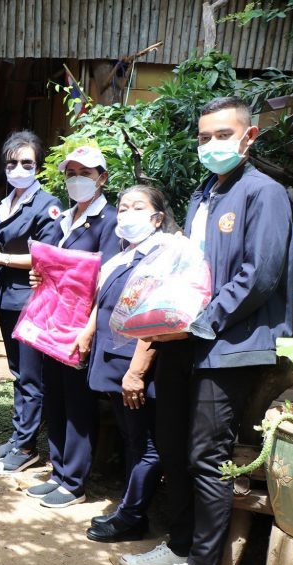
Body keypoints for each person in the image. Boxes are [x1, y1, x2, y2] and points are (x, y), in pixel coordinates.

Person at [121, 97, 293, 565]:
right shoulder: (205, 193)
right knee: (173, 444)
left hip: (229, 344)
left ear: (249, 136)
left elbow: (260, 274)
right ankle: (181, 545)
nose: (212, 144)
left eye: (223, 135)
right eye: (204, 137)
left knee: (206, 454)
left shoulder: (266, 193)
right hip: (185, 340)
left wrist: (202, 323)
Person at [18, 144, 120, 508]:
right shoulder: (63, 218)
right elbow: (50, 266)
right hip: (51, 325)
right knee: (56, 398)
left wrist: (90, 329)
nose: (77, 180)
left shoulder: (109, 221)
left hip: (79, 326)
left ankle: (74, 482)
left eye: (85, 173)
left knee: (77, 402)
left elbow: (107, 282)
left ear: (102, 178)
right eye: (71, 174)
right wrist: (38, 277)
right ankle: (58, 472)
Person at [77, 186, 177, 542]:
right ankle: (129, 511)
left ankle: (133, 517)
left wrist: (136, 372)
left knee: (145, 444)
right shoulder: (125, 255)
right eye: (123, 208)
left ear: (158, 218)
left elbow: (157, 317)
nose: (127, 214)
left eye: (138, 207)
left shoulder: (163, 256)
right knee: (131, 439)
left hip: (135, 367)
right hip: (114, 362)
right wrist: (89, 330)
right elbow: (104, 302)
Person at [0, 131, 61, 473]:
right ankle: (20, 436)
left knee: (31, 376)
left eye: (27, 163)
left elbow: (46, 256)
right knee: (19, 372)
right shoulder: (5, 202)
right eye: (12, 163)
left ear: (39, 167)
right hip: (7, 297)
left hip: (33, 299)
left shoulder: (48, 205)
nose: (18, 169)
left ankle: (26, 446)